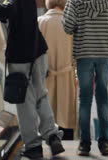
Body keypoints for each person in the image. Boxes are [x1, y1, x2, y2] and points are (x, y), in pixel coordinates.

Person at [0, 0, 65, 160]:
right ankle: (52, 136)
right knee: (41, 94)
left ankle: (33, 145)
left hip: (20, 56)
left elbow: (9, 8)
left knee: (24, 101)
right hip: (38, 50)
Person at [62, 0, 108, 156]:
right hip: (105, 53)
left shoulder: (75, 2)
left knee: (84, 99)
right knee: (102, 96)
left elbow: (67, 27)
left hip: (84, 53)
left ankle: (84, 143)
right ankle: (104, 142)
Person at [38, 0, 78, 140]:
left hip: (44, 77)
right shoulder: (72, 23)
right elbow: (77, 54)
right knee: (66, 117)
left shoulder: (40, 22)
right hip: (67, 77)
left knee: (45, 115)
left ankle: (48, 143)